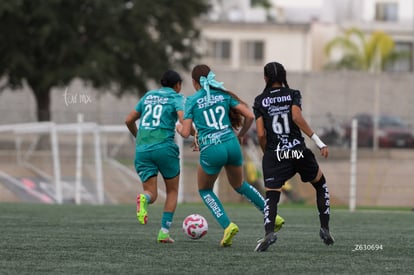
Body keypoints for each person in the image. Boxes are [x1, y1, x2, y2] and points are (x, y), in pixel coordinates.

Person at [176, 64, 284, 247]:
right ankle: (272, 215)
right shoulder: (223, 94)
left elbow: (186, 133)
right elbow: (249, 115)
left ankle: (228, 226)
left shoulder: (192, 100)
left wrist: (179, 128)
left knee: (205, 190)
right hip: (232, 144)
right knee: (240, 184)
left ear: (195, 82)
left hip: (212, 148)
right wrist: (241, 135)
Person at [253, 61, 334, 252]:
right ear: (284, 76)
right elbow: (297, 117)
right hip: (297, 150)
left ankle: (269, 233)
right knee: (320, 183)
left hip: (275, 153)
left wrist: (269, 154)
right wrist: (319, 142)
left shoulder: (259, 100)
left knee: (272, 195)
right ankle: (325, 227)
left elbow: (261, 134)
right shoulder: (293, 94)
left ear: (265, 78)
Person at [125, 69, 184, 243]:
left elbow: (128, 120)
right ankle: (164, 233)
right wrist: (194, 133)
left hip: (143, 149)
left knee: (151, 193)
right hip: (164, 147)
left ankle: (144, 198)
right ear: (177, 85)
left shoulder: (148, 96)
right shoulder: (176, 97)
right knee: (172, 191)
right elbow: (183, 119)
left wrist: (138, 137)